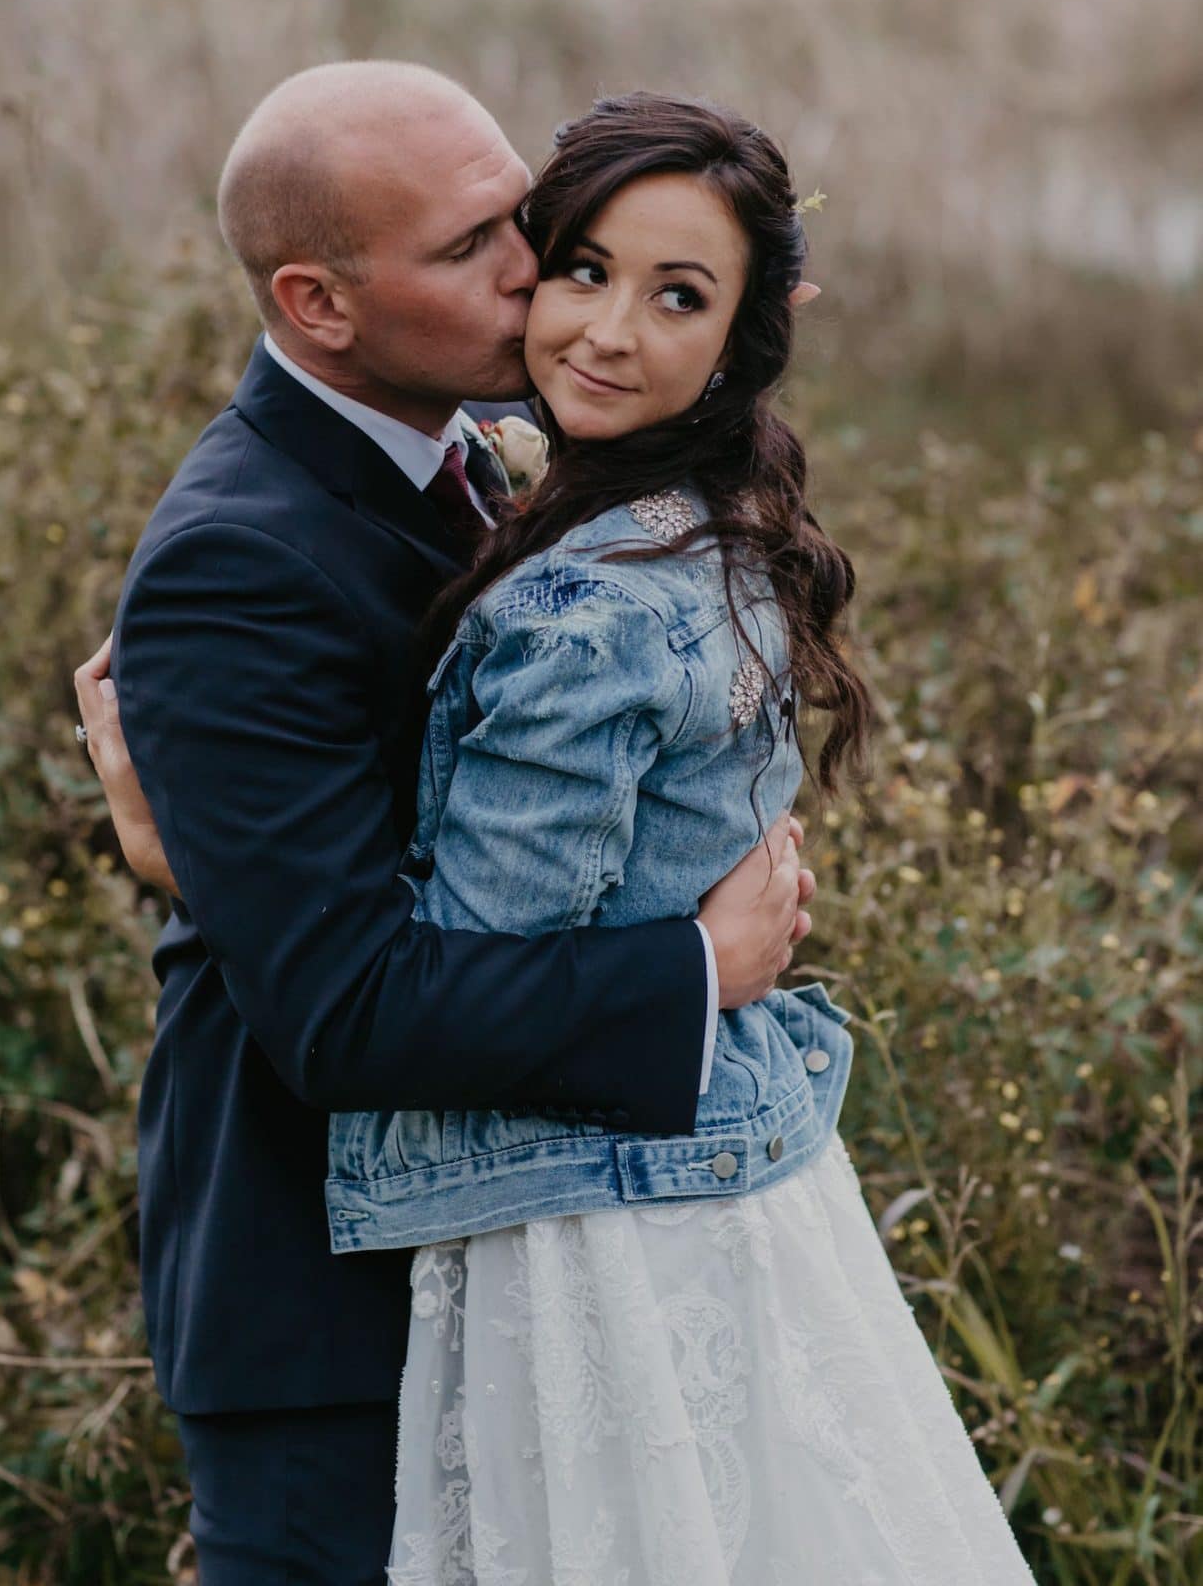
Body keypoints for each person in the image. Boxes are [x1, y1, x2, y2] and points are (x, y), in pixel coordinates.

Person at [73, 62, 814, 1585]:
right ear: (318, 303)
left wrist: (190, 862)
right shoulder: (237, 561)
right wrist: (694, 970)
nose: (534, 271)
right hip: (326, 1320)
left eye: (521, 218)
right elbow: (342, 1010)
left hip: (509, 1254)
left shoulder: (474, 456)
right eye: (472, 245)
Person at [321, 92, 1038, 1583]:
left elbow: (478, 965)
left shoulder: (583, 609)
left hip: (595, 1232)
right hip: (723, 1174)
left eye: (677, 297)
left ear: (739, 338)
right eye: (583, 270)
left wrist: (181, 856)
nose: (607, 332)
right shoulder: (708, 520)